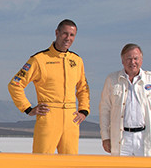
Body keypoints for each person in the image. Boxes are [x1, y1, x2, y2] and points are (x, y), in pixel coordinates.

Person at [8, 19, 91, 154]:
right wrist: (27, 108)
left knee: (70, 162)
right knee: (42, 160)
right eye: (65, 33)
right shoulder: (39, 59)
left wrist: (83, 110)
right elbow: (15, 85)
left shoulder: (77, 61)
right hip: (48, 116)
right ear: (57, 33)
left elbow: (83, 88)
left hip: (71, 118)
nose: (68, 38)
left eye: (72, 35)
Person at [99, 43, 151, 156]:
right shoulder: (112, 80)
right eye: (129, 59)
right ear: (122, 61)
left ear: (141, 60)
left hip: (145, 137)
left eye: (136, 58)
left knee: (146, 167)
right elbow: (105, 110)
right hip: (121, 139)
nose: (132, 62)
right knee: (120, 167)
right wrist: (105, 137)